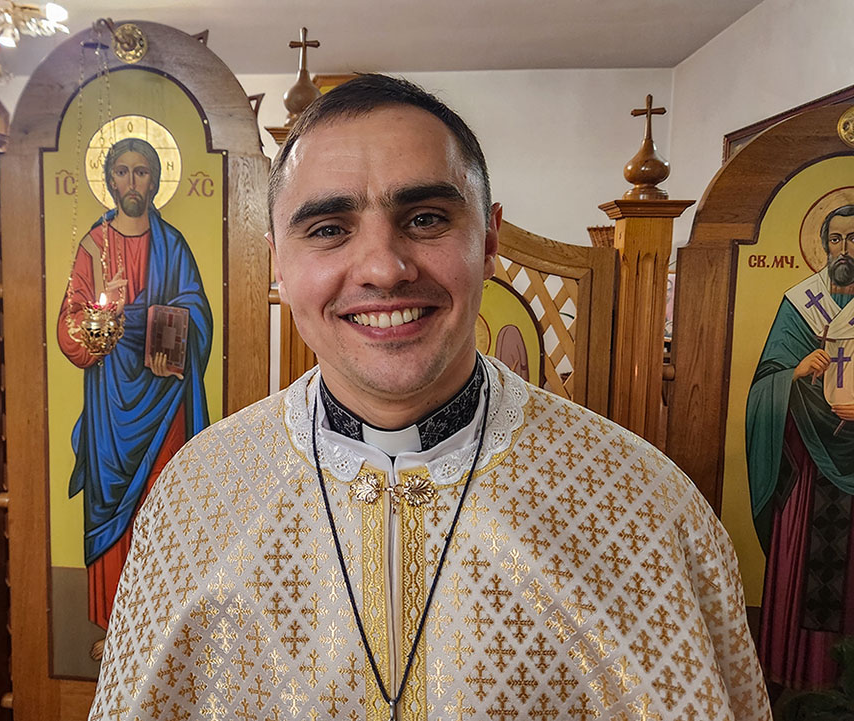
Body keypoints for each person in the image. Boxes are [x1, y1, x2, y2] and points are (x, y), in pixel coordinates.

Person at [89, 75, 769, 720]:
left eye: (425, 218)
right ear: (276, 260)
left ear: (490, 236)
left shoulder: (640, 507)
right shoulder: (196, 499)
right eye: (328, 229)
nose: (384, 267)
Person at [57, 137, 213, 635]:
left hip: (165, 402)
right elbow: (69, 322)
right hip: (110, 403)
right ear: (108, 180)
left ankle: (159, 622)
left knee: (161, 503)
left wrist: (149, 319)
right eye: (122, 172)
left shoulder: (174, 245)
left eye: (141, 172)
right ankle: (111, 624)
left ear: (155, 181)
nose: (131, 183)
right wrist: (97, 328)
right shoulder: (93, 246)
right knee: (109, 504)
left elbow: (199, 313)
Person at [746, 204, 854, 690]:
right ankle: (794, 679)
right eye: (836, 240)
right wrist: (794, 376)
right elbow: (763, 384)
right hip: (808, 471)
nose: (845, 251)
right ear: (824, 245)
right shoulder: (800, 306)